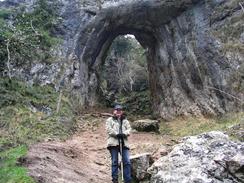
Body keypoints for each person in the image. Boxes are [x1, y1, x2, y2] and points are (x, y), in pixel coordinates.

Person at [106, 104, 132, 183]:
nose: (118, 112)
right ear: (114, 111)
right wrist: (117, 134)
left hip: (124, 144)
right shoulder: (109, 120)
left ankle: (127, 180)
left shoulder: (125, 120)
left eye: (120, 110)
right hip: (113, 143)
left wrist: (124, 134)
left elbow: (129, 129)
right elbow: (108, 129)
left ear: (122, 111)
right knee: (115, 162)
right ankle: (115, 179)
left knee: (127, 161)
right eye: (117, 110)